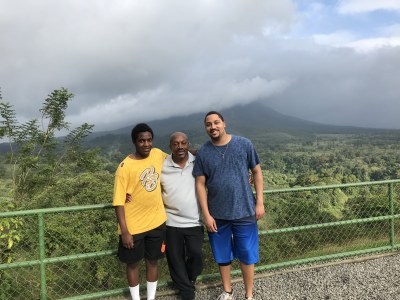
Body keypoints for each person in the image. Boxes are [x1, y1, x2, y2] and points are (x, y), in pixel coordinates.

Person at [192, 111, 265, 300]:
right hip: (217, 214)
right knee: (222, 255)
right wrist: (206, 215)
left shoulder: (244, 144)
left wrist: (260, 202)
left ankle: (249, 295)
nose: (213, 127)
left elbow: (257, 172)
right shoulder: (204, 152)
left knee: (247, 254)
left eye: (216, 122)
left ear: (224, 123)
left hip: (245, 210)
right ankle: (228, 291)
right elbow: (200, 184)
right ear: (205, 127)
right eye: (209, 124)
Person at [113, 123, 168, 300]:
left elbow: (178, 156)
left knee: (152, 261)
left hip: (157, 221)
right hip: (133, 226)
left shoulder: (158, 154)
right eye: (142, 141)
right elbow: (118, 202)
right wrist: (125, 232)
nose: (146, 144)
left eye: (149, 140)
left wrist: (199, 151)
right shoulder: (124, 167)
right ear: (134, 142)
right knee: (133, 264)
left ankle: (151, 298)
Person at [161, 132, 204, 300]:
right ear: (170, 146)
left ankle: (189, 279)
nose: (180, 147)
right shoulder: (162, 165)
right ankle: (187, 291)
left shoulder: (197, 161)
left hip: (195, 220)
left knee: (196, 254)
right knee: (175, 258)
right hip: (170, 221)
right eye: (176, 144)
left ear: (188, 144)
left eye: (183, 143)